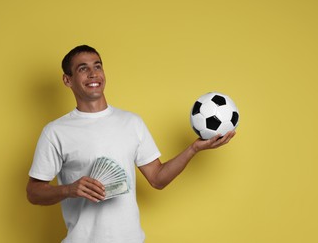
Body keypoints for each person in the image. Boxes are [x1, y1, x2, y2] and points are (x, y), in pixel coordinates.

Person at [26, 45, 235, 243]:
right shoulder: (56, 131)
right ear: (67, 80)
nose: (93, 73)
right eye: (83, 69)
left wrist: (194, 148)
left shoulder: (131, 122)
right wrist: (69, 189)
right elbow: (33, 192)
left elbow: (158, 179)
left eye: (97, 66)